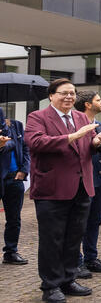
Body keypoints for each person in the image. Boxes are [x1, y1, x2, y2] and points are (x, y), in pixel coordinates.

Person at [25, 79, 101, 302]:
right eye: (64, 93)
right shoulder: (38, 117)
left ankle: (68, 279)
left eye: (72, 93)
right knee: (52, 239)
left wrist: (97, 142)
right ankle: (50, 286)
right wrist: (73, 136)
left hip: (81, 187)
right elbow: (36, 143)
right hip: (52, 189)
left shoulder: (80, 117)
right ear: (51, 96)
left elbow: (86, 147)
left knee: (74, 238)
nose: (69, 97)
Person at [73, 91, 101, 277]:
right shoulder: (75, 125)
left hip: (100, 180)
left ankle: (91, 257)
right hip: (84, 180)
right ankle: (76, 261)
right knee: (79, 222)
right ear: (88, 105)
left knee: (95, 220)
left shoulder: (99, 125)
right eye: (98, 100)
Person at [0, 107, 30, 266]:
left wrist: (24, 170)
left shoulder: (17, 125)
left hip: (15, 178)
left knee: (14, 219)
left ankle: (11, 252)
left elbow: (26, 148)